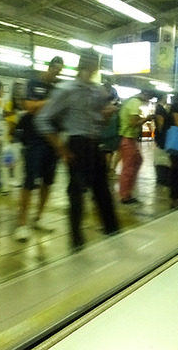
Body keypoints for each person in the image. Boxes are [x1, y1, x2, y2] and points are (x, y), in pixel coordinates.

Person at [35, 49, 119, 251]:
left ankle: (113, 232)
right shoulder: (66, 90)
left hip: (93, 144)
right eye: (91, 61)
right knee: (77, 193)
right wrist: (61, 148)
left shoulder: (98, 91)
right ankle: (76, 240)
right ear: (85, 63)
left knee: (102, 191)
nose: (93, 65)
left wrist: (106, 115)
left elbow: (99, 122)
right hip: (77, 144)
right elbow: (42, 119)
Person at [12, 56, 63, 242]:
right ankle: (21, 223)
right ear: (50, 67)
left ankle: (39, 217)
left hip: (53, 139)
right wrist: (49, 103)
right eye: (55, 70)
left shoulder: (57, 89)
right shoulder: (34, 84)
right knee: (29, 180)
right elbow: (29, 106)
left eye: (59, 71)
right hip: (34, 140)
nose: (56, 74)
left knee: (48, 181)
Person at [117, 90, 154, 204]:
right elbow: (133, 123)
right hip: (128, 138)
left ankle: (127, 192)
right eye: (149, 98)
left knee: (136, 161)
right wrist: (146, 119)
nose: (147, 101)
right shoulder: (135, 102)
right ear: (145, 94)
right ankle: (125, 195)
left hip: (128, 138)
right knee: (128, 167)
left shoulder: (130, 101)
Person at [153, 93, 172, 186]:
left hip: (162, 136)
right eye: (166, 97)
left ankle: (162, 177)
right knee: (162, 157)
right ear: (163, 98)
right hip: (162, 136)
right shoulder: (160, 109)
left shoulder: (160, 108)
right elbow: (160, 124)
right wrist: (162, 133)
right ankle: (162, 178)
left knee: (162, 156)